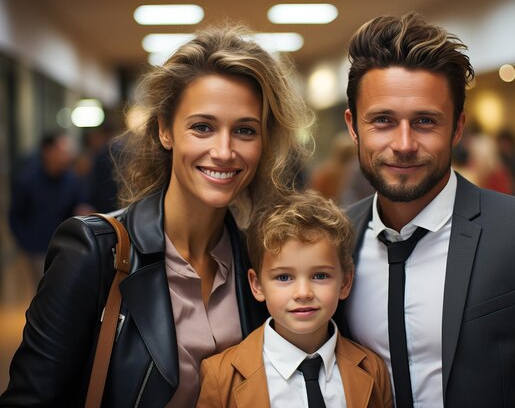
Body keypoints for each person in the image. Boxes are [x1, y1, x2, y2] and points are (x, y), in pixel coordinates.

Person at [0, 23, 311, 408]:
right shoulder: (95, 251)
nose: (225, 150)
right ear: (166, 129)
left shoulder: (258, 259)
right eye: (202, 127)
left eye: (245, 131)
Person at [338, 12, 515, 408]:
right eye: (383, 121)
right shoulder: (337, 239)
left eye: (425, 121)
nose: (404, 144)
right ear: (354, 126)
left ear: (458, 127)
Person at [196, 191, 392, 408]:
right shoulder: (221, 377)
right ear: (257, 285)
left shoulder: (372, 369)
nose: (303, 293)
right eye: (284, 277)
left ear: (345, 282)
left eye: (320, 276)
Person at [8, 130, 92, 292]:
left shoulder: (72, 180)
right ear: (47, 151)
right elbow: (15, 217)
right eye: (61, 152)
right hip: (37, 250)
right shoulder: (27, 180)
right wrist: (26, 243)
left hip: (66, 247)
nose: (66, 156)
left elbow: (80, 204)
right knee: (43, 292)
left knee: (65, 292)